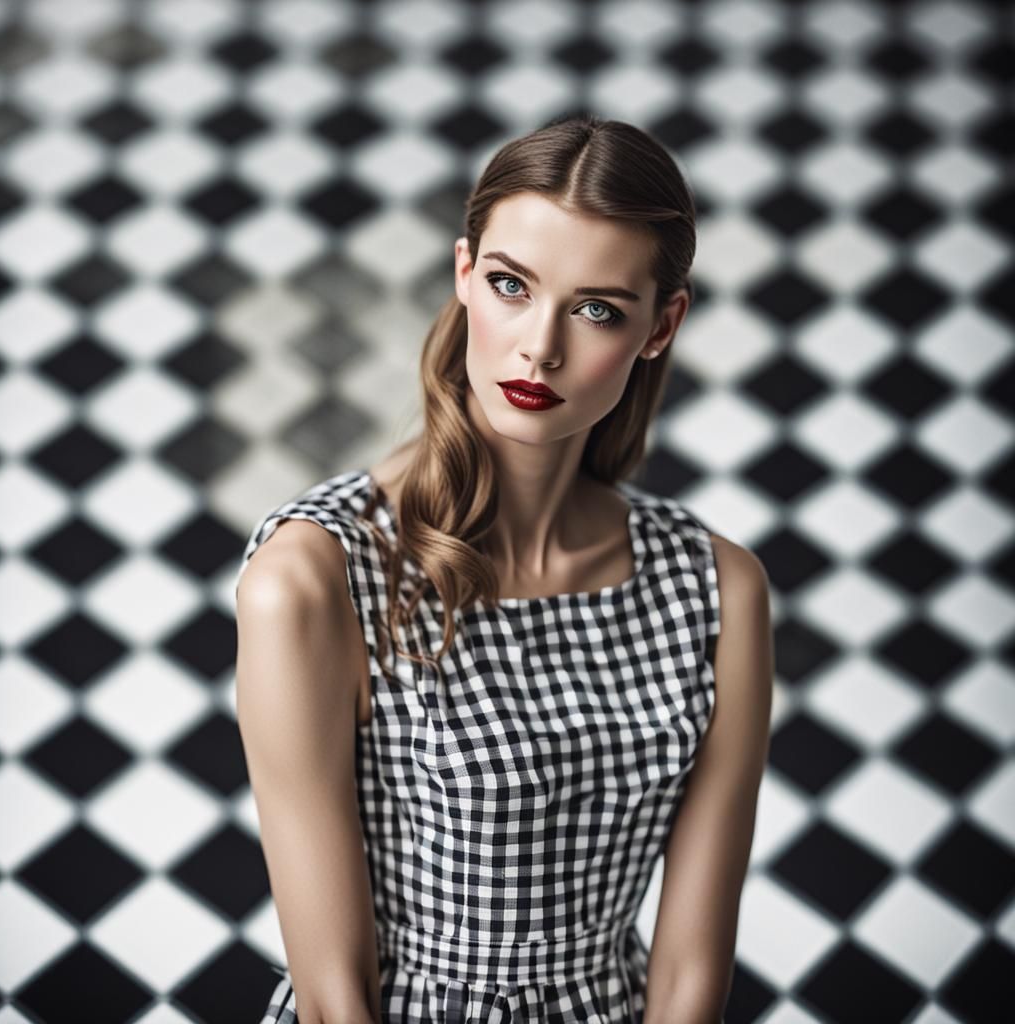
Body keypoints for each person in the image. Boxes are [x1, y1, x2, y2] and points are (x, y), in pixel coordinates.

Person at [235, 113, 772, 1024]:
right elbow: (332, 998)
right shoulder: (314, 575)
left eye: (597, 308)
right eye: (510, 286)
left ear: (660, 326)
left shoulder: (717, 589)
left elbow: (688, 977)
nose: (541, 346)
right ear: (462, 276)